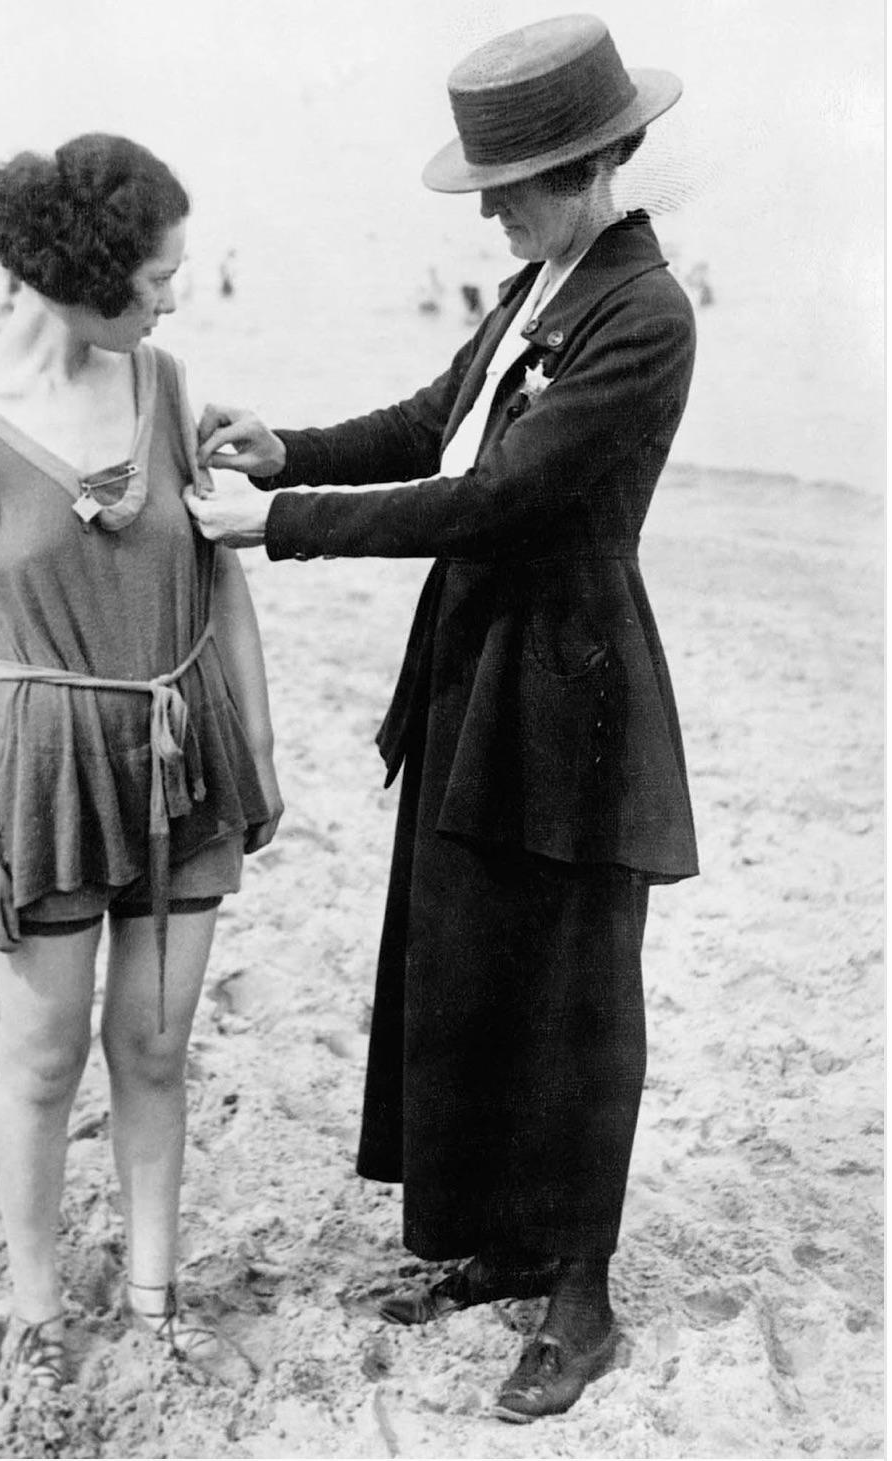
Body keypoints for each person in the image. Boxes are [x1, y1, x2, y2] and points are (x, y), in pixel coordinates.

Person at [189, 14, 697, 1423]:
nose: (487, 207)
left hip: (575, 684)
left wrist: (276, 523)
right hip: (484, 668)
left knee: (579, 989)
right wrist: (290, 448)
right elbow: (434, 424)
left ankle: (580, 1290)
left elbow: (498, 498)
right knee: (467, 960)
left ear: (593, 165)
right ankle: (503, 1240)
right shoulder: (542, 287)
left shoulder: (641, 310)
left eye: (511, 181)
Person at [0, 132, 282, 1392]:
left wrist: (258, 752)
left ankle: (156, 1296)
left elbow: (223, 581)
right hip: (45, 771)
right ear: (94, 273)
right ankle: (40, 1305)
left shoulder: (165, 384)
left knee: (158, 1048)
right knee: (46, 1060)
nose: (173, 298)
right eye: (159, 275)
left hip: (184, 756)